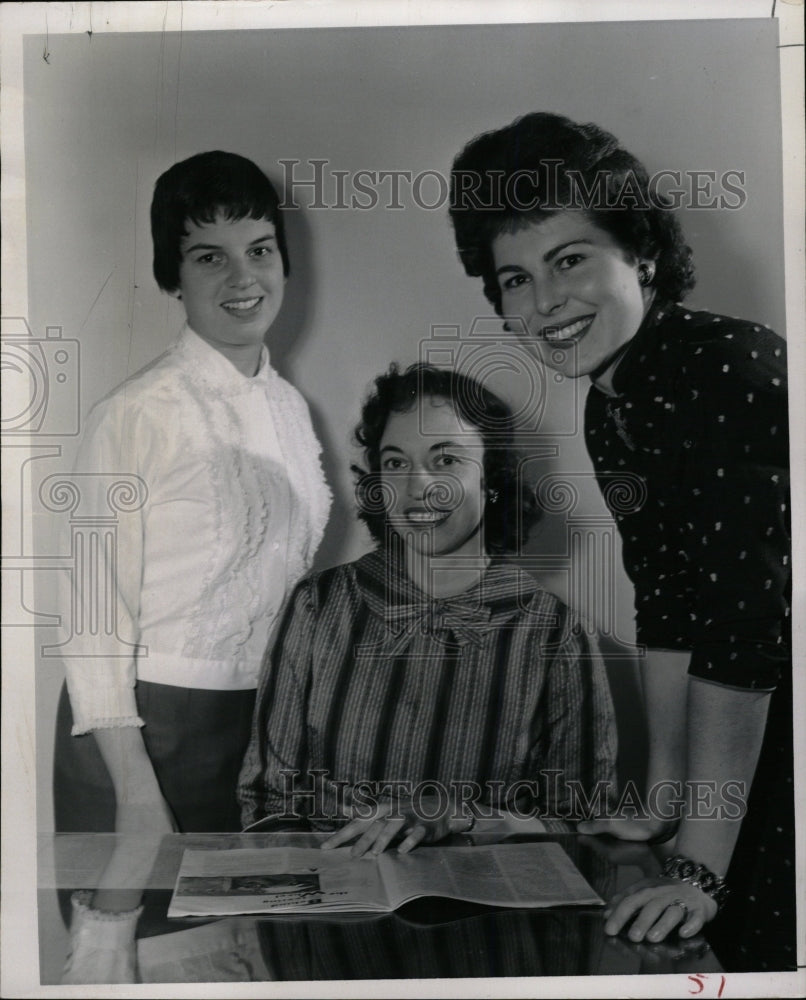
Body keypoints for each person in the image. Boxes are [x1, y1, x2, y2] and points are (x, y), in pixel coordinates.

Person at [448, 112, 794, 970]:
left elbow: (745, 637)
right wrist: (662, 802)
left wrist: (703, 867)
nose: (546, 300)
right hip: (745, 748)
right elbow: (671, 612)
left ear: (640, 253)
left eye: (571, 260)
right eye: (516, 279)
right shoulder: (614, 400)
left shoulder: (729, 368)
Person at [54, 151, 332, 844]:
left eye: (260, 250)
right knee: (137, 948)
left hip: (258, 737)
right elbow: (91, 614)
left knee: (246, 948)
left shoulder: (293, 409)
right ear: (172, 276)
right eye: (210, 257)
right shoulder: (137, 413)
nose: (244, 278)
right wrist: (137, 793)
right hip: (142, 737)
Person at [238, 362, 618, 854]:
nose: (418, 488)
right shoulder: (318, 604)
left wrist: (462, 819)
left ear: (493, 478)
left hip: (488, 914)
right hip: (336, 906)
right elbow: (268, 798)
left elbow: (581, 820)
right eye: (396, 463)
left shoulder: (557, 633)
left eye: (446, 460)